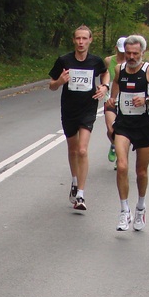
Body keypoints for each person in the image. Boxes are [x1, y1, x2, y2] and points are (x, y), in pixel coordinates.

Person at [106, 35, 149, 232]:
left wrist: (147, 101)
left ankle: (140, 207)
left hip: (144, 126)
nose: (131, 57)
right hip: (124, 125)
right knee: (122, 166)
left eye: (135, 53)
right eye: (128, 53)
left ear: (142, 53)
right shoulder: (119, 69)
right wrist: (112, 98)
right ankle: (124, 211)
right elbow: (116, 84)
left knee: (141, 171)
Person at [48, 25, 110, 211]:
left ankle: (81, 195)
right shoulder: (64, 60)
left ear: (90, 40)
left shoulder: (95, 61)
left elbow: (105, 72)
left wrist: (104, 86)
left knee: (82, 150)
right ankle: (74, 181)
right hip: (69, 109)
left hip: (88, 109)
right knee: (73, 149)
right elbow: (51, 85)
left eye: (84, 39)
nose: (81, 42)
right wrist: (60, 81)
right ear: (74, 40)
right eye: (78, 39)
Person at [103, 36, 127, 167]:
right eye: (121, 51)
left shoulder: (131, 61)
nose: (123, 54)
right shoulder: (108, 60)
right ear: (116, 48)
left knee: (122, 130)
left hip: (125, 99)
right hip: (110, 98)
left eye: (125, 51)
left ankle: (120, 157)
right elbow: (103, 74)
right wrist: (104, 85)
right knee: (111, 129)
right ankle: (113, 144)